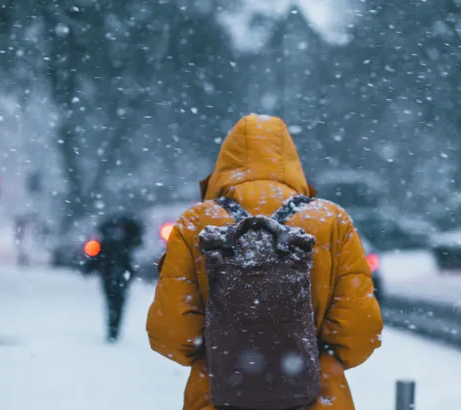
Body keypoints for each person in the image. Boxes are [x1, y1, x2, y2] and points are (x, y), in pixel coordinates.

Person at [147, 114, 384, 410]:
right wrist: (307, 357)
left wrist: (224, 353)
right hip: (317, 397)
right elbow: (360, 331)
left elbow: (170, 334)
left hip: (216, 396)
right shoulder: (331, 221)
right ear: (291, 160)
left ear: (225, 163)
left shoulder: (196, 223)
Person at [84, 213, 142, 343]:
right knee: (117, 302)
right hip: (117, 275)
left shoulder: (110, 240)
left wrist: (89, 268)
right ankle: (114, 329)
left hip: (111, 274)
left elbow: (96, 257)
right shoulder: (125, 240)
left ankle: (112, 329)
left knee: (112, 302)